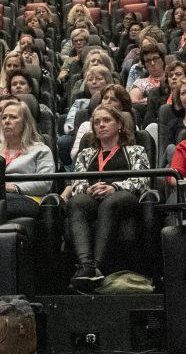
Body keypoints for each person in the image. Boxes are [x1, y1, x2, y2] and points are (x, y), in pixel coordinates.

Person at [61, 104, 153, 292]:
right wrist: (88, 189)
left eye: (106, 120)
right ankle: (86, 265)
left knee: (111, 202)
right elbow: (76, 183)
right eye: (96, 122)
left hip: (124, 197)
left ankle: (97, 266)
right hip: (93, 196)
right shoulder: (86, 153)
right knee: (75, 203)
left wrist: (114, 187)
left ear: (119, 124)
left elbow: (142, 181)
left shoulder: (136, 150)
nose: (101, 125)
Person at [0, 98, 54, 220]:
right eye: (4, 118)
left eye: (13, 117)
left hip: (28, 199)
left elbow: (44, 184)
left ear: (25, 123)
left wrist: (15, 188)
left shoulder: (41, 150)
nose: (7, 121)